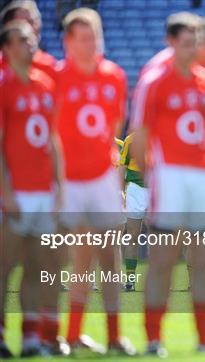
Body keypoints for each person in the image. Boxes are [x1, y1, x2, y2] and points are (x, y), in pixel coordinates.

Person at [130, 12, 205, 355]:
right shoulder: (156, 79)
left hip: (201, 176)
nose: (193, 47)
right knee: (163, 258)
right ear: (171, 42)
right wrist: (155, 177)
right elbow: (139, 137)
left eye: (196, 41)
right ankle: (153, 337)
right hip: (170, 176)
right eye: (186, 41)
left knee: (204, 258)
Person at [54, 8, 134, 354]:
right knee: (74, 258)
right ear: (68, 42)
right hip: (66, 180)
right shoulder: (55, 78)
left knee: (109, 255)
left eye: (96, 37)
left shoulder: (114, 75)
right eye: (85, 38)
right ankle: (67, 333)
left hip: (102, 176)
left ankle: (114, 335)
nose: (92, 44)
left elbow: (114, 125)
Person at [0, 20, 66, 358]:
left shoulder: (43, 84)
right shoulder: (3, 86)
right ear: (7, 47)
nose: (31, 45)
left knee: (40, 267)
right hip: (16, 191)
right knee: (5, 265)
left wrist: (59, 186)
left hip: (43, 191)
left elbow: (53, 139)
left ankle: (30, 338)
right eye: (23, 41)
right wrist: (6, 191)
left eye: (32, 39)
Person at [119, 133, 147, 292]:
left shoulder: (164, 135)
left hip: (158, 189)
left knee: (161, 235)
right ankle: (130, 280)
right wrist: (121, 191)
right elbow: (122, 168)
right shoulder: (131, 140)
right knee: (132, 235)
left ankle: (159, 279)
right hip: (136, 190)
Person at [0, 0, 57, 79]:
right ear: (9, 28)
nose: (30, 29)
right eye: (25, 23)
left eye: (34, 22)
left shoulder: (49, 65)